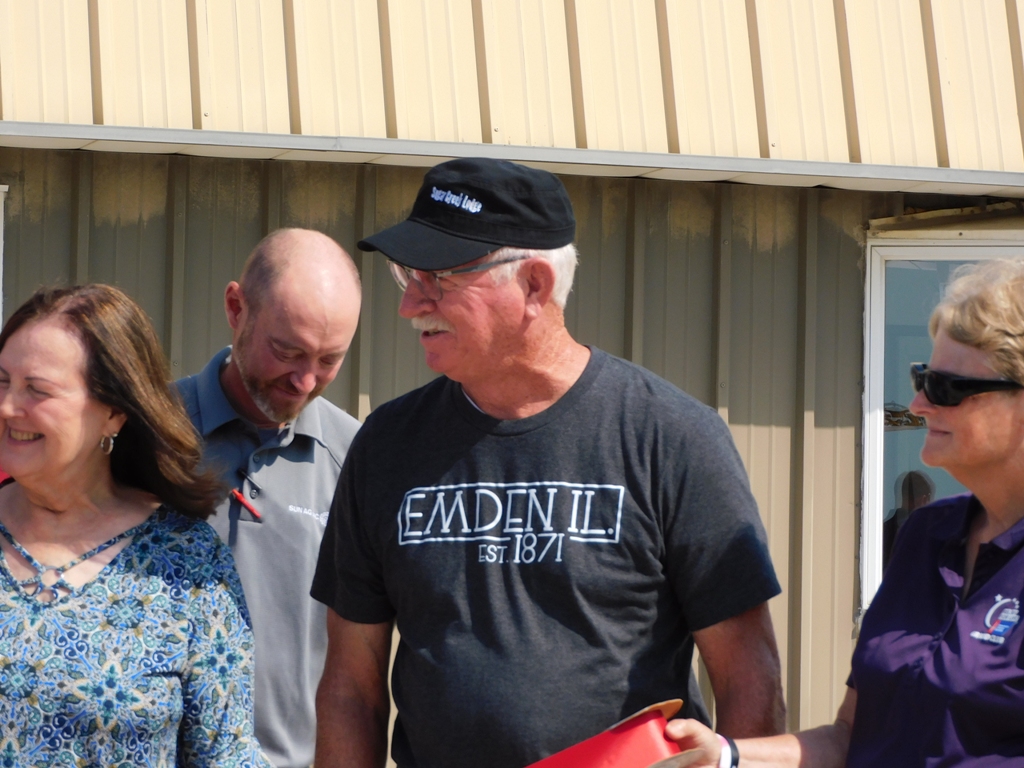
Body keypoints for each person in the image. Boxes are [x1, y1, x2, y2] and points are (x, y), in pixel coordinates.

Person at [311, 158, 785, 768]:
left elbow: (750, 677)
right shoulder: (387, 444)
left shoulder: (671, 437)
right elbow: (350, 686)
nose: (410, 305)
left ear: (534, 284)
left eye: (440, 277)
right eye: (409, 275)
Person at [663, 258, 1024, 767]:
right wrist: (724, 755)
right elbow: (849, 739)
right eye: (922, 378)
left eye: (946, 388)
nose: (919, 404)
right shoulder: (926, 535)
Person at [0, 284, 270, 766]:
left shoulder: (187, 562)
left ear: (114, 413)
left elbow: (227, 753)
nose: (7, 406)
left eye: (36, 389)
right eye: (2, 381)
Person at [175, 228, 362, 768]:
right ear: (236, 308)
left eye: (329, 360)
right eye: (287, 351)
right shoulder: (149, 435)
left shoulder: (358, 459)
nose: (305, 380)